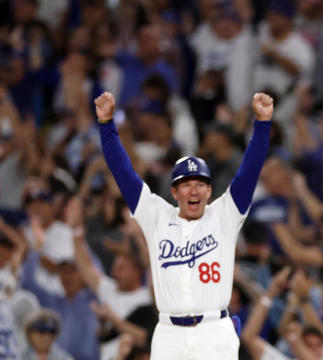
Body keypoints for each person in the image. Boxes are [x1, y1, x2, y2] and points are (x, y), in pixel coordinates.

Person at [94, 91, 273, 359]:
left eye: (200, 184)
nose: (194, 191)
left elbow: (250, 169)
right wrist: (107, 126)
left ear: (210, 191)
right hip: (169, 334)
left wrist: (262, 125)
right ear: (174, 192)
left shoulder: (225, 213)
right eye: (186, 185)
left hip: (214, 331)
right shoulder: (156, 216)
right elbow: (123, 173)